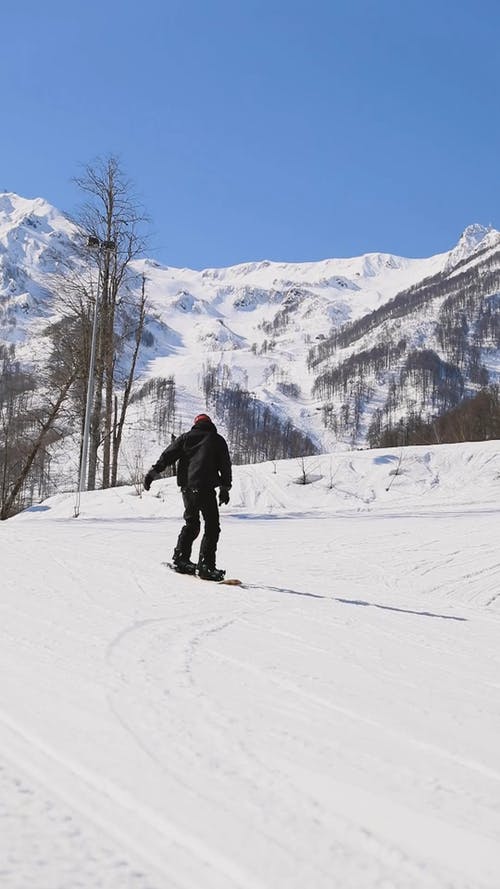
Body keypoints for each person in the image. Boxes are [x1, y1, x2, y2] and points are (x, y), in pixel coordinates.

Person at [144, 414, 232, 581]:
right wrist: (225, 488)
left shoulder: (185, 438)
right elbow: (225, 465)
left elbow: (168, 455)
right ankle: (206, 566)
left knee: (192, 524)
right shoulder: (217, 439)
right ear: (210, 424)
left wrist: (153, 472)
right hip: (206, 488)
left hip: (188, 488)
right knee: (212, 527)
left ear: (196, 424)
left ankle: (181, 559)